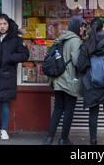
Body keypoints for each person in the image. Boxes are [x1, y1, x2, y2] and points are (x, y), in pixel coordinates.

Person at [77, 18, 104, 145]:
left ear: (92, 28)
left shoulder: (87, 43)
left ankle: (93, 141)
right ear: (103, 27)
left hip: (92, 83)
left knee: (93, 113)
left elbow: (80, 66)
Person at [43, 17, 87, 145]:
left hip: (57, 79)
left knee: (58, 109)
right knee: (69, 110)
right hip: (70, 81)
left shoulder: (61, 38)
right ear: (76, 27)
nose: (83, 29)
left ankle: (49, 138)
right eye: (82, 26)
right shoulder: (75, 41)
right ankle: (64, 139)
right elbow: (76, 62)